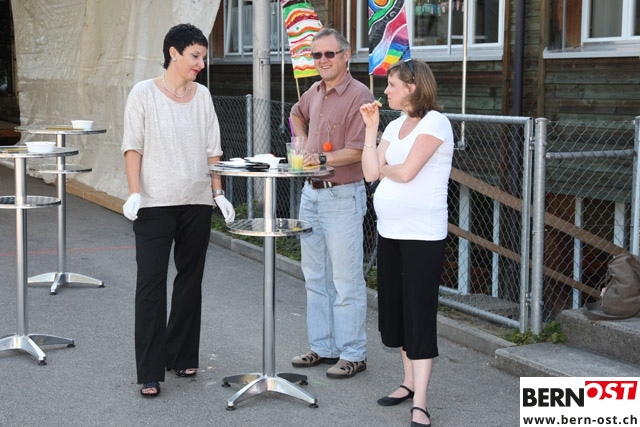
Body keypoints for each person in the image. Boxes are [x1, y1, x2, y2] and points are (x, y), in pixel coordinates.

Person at [121, 23, 235, 398]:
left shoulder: (203, 96)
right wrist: (134, 192)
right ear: (173, 53)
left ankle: (182, 356)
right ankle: (149, 371)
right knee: (151, 283)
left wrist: (218, 193)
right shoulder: (143, 93)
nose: (201, 63)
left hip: (197, 202)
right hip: (154, 203)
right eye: (195, 56)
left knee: (189, 281)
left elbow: (213, 149)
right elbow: (133, 146)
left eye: (203, 57)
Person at [359, 59, 454, 427]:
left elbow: (408, 171)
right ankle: (408, 382)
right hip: (390, 232)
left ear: (412, 88)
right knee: (396, 312)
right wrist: (371, 131)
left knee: (418, 315)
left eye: (392, 85)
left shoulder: (436, 123)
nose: (386, 91)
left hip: (422, 236)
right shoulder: (395, 125)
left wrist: (385, 170)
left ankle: (422, 402)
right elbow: (370, 172)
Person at [289, 27, 374, 379]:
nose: (322, 60)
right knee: (315, 277)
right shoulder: (314, 91)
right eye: (316, 55)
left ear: (346, 55)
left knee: (346, 280)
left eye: (329, 54)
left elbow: (358, 150)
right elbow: (295, 114)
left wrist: (319, 159)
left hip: (342, 196)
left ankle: (353, 353)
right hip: (311, 194)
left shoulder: (359, 95)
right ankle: (323, 347)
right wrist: (302, 140)